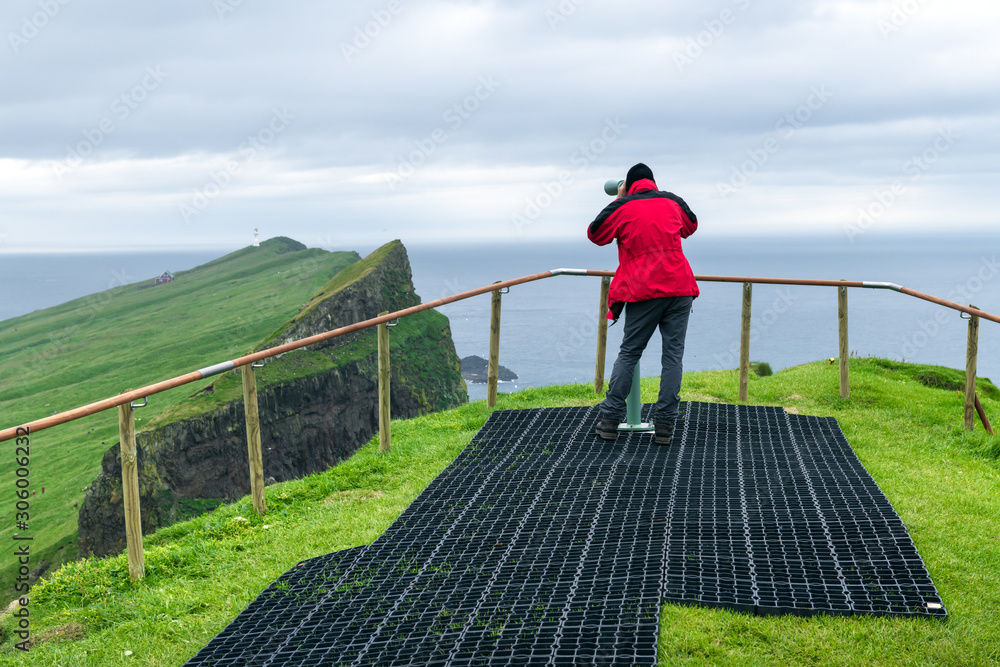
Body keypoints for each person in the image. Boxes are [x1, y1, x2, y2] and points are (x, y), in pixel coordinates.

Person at [587, 162, 699, 445]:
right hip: (679, 288)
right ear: (652, 182)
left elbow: (595, 233)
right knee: (673, 356)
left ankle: (610, 421)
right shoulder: (672, 201)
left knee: (629, 353)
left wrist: (619, 199)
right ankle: (664, 426)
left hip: (643, 291)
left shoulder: (623, 206)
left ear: (628, 185)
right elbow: (691, 225)